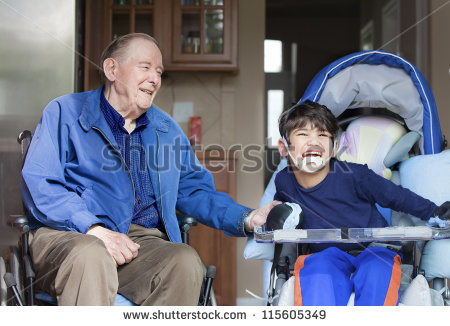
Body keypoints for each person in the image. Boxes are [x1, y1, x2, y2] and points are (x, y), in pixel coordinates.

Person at [21, 33, 278, 306]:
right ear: (112, 70)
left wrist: (247, 218)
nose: (155, 79)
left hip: (139, 244)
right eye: (145, 67)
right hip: (69, 235)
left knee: (184, 261)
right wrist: (93, 228)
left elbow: (194, 191)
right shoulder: (64, 112)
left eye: (159, 72)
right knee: (91, 255)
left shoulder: (166, 130)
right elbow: (41, 181)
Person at [274, 100, 450, 306]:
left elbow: (397, 196)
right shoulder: (284, 181)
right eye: (303, 134)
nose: (314, 142)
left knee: (377, 270)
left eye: (322, 135)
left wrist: (434, 211)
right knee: (318, 271)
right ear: (284, 148)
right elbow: (283, 211)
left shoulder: (355, 175)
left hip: (376, 248)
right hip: (324, 254)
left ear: (334, 148)